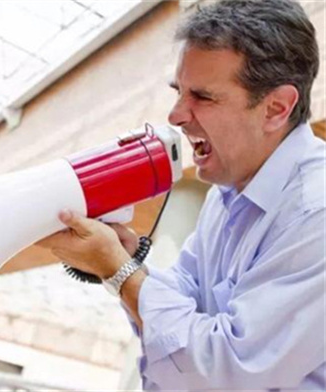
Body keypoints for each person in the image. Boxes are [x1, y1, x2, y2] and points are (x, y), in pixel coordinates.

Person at [39, 0, 325, 389]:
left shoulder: (316, 209)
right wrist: (123, 260)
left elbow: (229, 365)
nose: (175, 114)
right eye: (179, 91)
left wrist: (118, 270)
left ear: (276, 108)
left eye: (203, 97)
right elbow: (181, 299)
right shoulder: (227, 196)